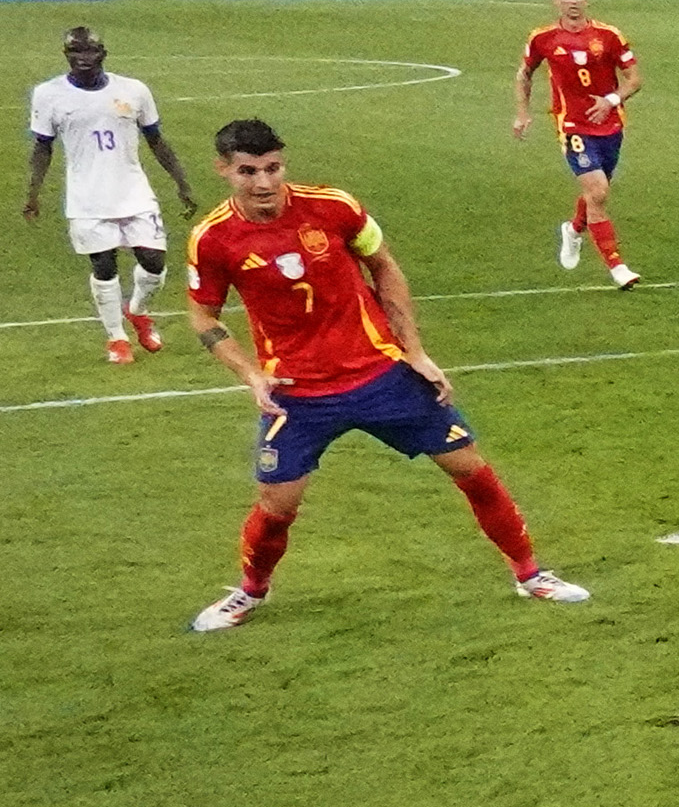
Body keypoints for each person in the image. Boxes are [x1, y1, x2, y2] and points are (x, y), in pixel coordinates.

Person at [182, 118, 590, 633]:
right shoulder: (213, 238)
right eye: (248, 172)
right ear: (224, 170)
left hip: (382, 374)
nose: (264, 183)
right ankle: (249, 592)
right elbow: (203, 314)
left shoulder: (336, 207)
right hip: (297, 393)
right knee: (277, 503)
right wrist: (250, 374)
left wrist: (415, 351)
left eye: (272, 168)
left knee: (469, 467)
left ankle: (531, 575)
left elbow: (385, 266)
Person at [23, 27, 195, 366]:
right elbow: (42, 147)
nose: (83, 58)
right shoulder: (48, 95)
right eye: (76, 52)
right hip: (87, 198)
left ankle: (139, 312)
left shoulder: (134, 90)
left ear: (103, 53)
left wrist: (181, 182)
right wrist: (34, 193)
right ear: (65, 55)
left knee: (154, 262)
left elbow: (156, 139)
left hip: (134, 191)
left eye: (90, 51)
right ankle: (116, 339)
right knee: (104, 266)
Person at [510, 0, 641, 289]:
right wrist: (523, 113)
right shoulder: (543, 39)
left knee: (597, 191)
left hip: (610, 125)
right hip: (572, 126)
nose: (573, 2)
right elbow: (524, 74)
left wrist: (611, 100)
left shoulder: (608, 36)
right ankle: (617, 267)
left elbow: (634, 79)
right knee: (598, 192)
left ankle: (573, 229)